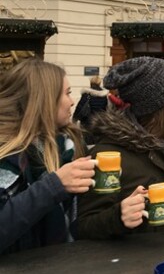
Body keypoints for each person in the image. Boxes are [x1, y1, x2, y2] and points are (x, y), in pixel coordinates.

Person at [77, 57, 164, 239]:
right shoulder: (109, 156)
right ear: (160, 101)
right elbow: (84, 227)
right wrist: (118, 217)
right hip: (138, 258)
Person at [0, 59, 96, 254]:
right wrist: (54, 186)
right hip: (20, 271)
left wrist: (117, 215)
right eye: (67, 93)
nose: (72, 101)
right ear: (45, 100)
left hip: (63, 265)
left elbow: (82, 221)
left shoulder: (69, 146)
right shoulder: (8, 156)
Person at [72, 76, 109, 142]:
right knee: (98, 140)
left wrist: (74, 118)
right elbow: (106, 108)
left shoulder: (87, 94)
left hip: (87, 121)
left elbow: (80, 106)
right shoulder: (104, 95)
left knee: (88, 140)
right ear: (99, 83)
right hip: (99, 121)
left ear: (91, 83)